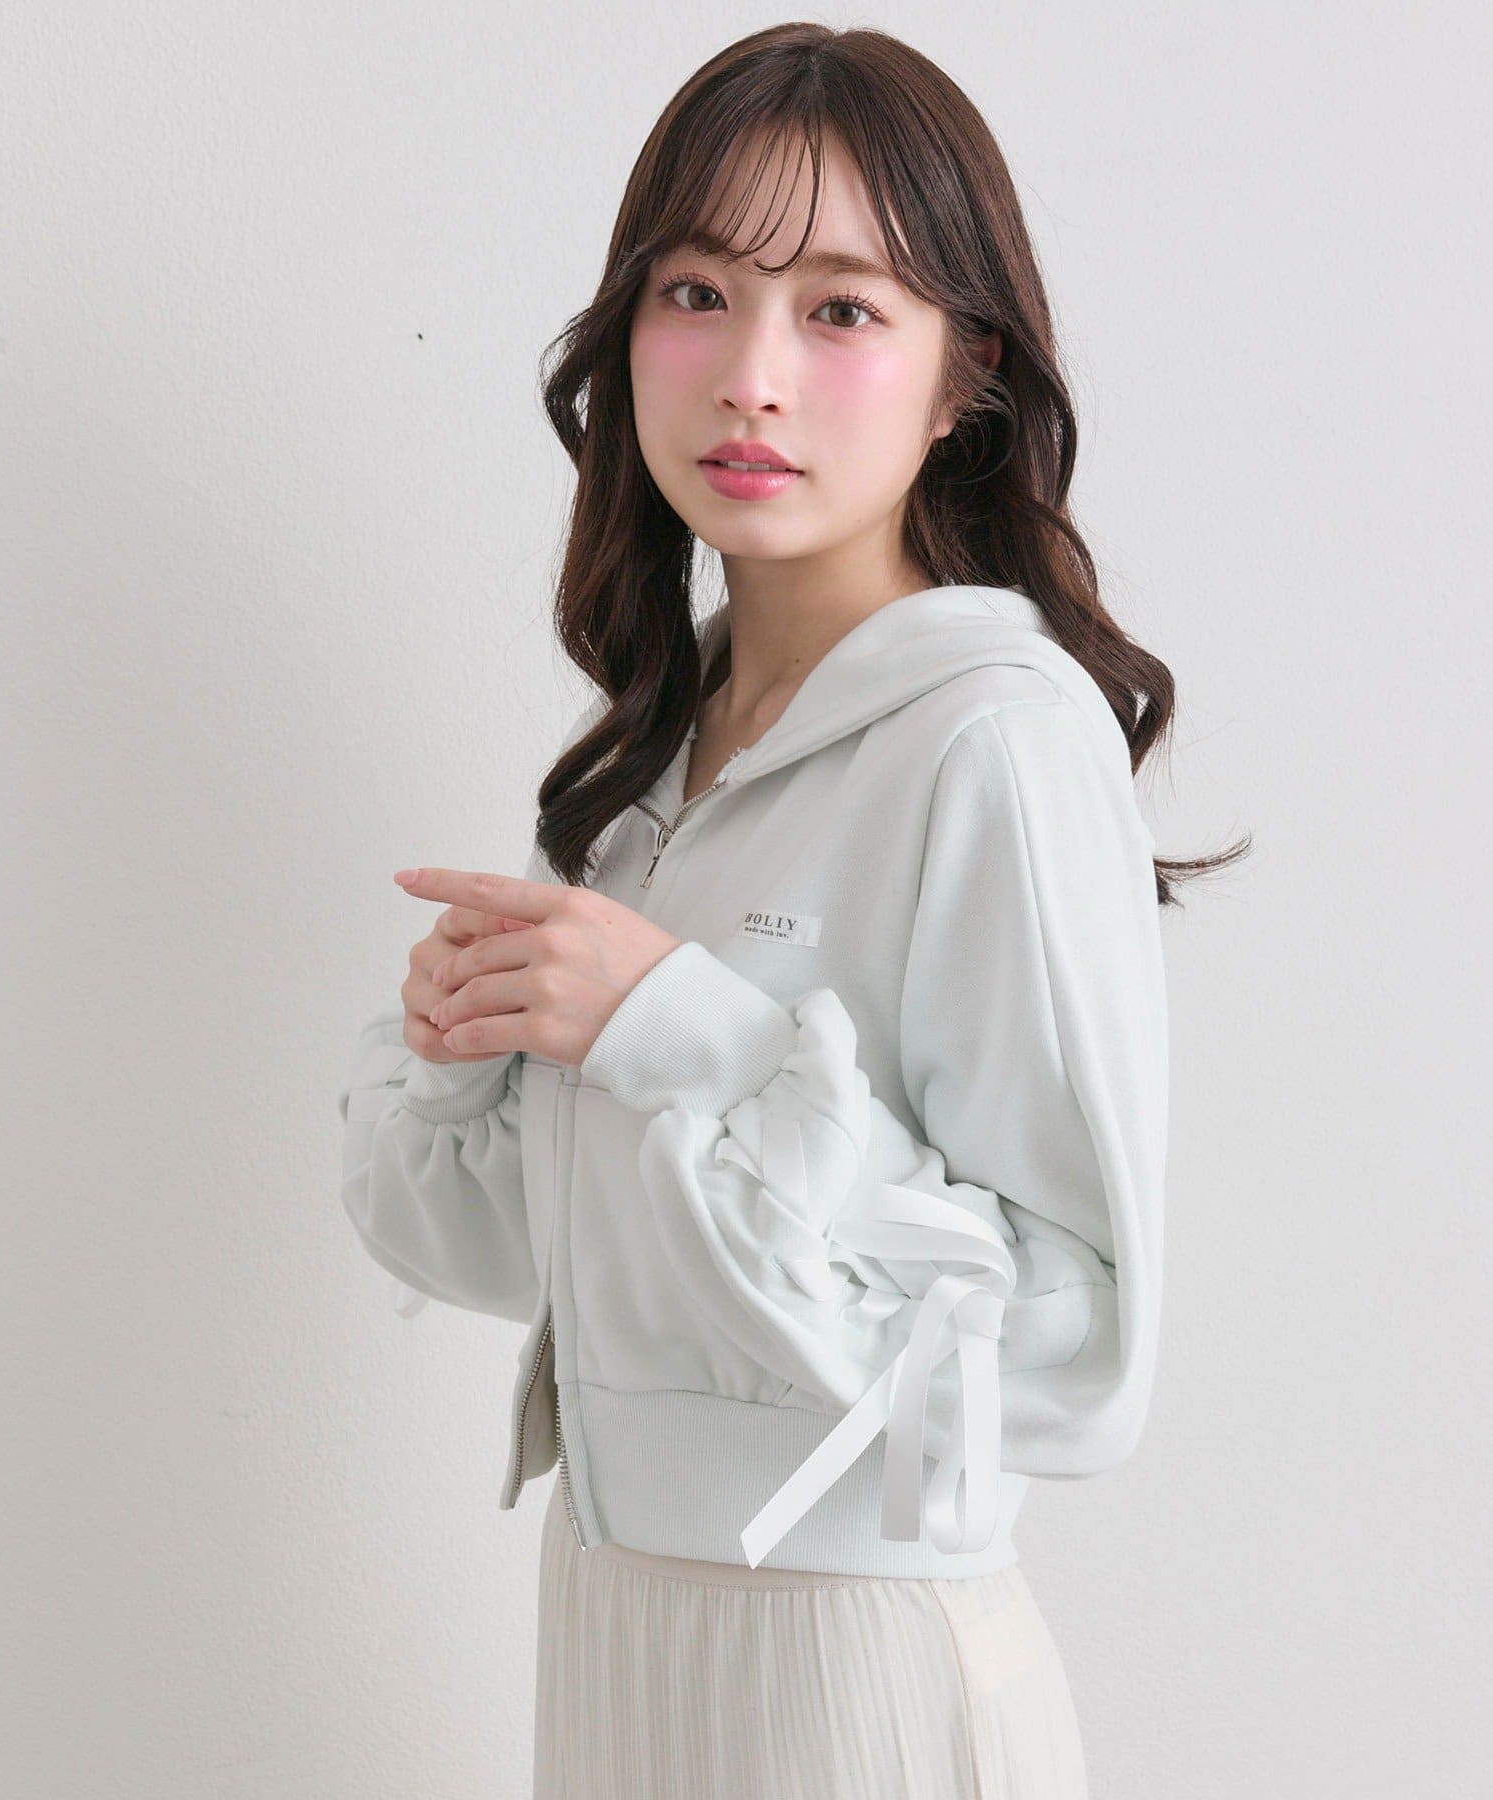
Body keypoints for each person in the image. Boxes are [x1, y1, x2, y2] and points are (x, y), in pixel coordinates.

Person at [337, 23, 1247, 1798]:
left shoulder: (995, 740)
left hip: (851, 1672)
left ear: (964, 373)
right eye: (698, 293)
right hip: (616, 1634)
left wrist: (686, 1036)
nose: (751, 377)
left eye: (840, 309)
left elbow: (1076, 1356)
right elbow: (552, 1267)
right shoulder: (653, 763)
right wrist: (470, 1047)